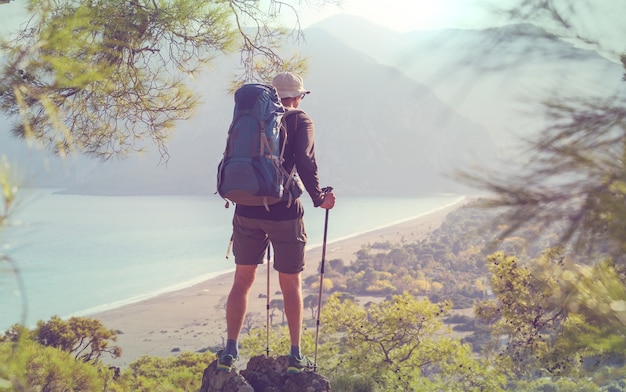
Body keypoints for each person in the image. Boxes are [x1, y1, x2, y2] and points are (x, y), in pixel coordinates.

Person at [217, 72, 336, 373]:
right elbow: (306, 163)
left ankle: (229, 351)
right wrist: (319, 197)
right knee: (290, 283)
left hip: (246, 208)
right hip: (283, 211)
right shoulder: (299, 119)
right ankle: (295, 355)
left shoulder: (252, 118)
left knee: (242, 281)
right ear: (296, 96)